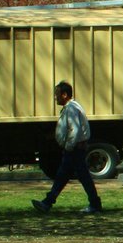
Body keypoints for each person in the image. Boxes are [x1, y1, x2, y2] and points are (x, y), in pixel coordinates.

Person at [32, 81, 103, 215]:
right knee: (64, 176)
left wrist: (69, 146)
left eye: (57, 94)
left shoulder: (71, 109)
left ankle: (94, 204)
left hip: (74, 149)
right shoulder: (72, 107)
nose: (55, 97)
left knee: (76, 177)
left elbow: (74, 130)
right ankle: (48, 202)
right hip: (74, 149)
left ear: (65, 95)